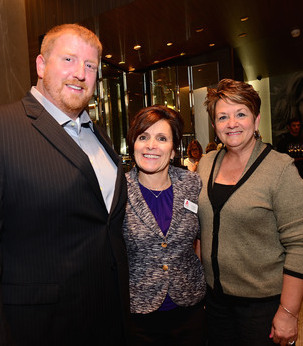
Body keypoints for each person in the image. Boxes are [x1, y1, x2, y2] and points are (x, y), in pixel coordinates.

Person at [0, 24, 129, 346]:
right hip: (37, 325)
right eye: (69, 60)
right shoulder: (5, 128)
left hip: (108, 318)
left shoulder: (99, 136)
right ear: (41, 65)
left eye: (90, 66)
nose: (80, 74)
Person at [197, 79, 303, 346]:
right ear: (214, 126)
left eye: (240, 114)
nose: (232, 123)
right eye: (223, 117)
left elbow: (299, 244)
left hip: (263, 307)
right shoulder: (206, 164)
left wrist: (289, 312)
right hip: (215, 303)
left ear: (256, 121)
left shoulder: (280, 169)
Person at [123, 105, 207, 345]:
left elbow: (203, 236)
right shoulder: (118, 190)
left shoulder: (192, 184)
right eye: (143, 137)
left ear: (173, 150)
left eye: (162, 138)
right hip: (139, 315)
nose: (151, 146)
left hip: (189, 310)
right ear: (133, 145)